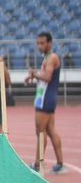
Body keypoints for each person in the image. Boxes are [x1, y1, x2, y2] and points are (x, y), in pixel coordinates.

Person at [25, 32, 65, 174]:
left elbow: (47, 77)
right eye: (38, 43)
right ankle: (60, 164)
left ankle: (37, 164)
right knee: (50, 130)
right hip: (44, 98)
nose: (39, 46)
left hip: (46, 100)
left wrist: (34, 74)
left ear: (50, 43)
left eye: (42, 43)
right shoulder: (47, 58)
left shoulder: (52, 57)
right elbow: (45, 76)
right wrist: (34, 75)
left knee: (40, 132)